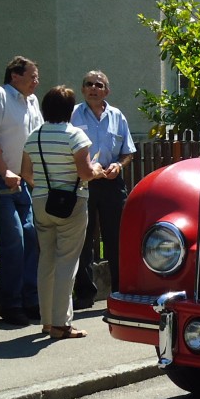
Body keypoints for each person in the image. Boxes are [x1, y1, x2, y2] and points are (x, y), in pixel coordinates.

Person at [21, 86, 105, 339]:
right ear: (70, 110)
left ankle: (46, 321)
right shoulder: (75, 135)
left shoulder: (33, 136)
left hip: (40, 201)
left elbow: (26, 173)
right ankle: (61, 324)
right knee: (67, 262)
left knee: (46, 260)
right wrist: (99, 170)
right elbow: (85, 173)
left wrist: (45, 189)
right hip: (72, 203)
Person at [0, 56, 44, 326]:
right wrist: (5, 171)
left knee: (32, 234)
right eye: (32, 76)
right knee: (13, 239)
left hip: (21, 180)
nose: (37, 81)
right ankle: (11, 304)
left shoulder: (33, 102)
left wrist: (30, 177)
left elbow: (34, 140)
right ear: (15, 75)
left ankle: (31, 299)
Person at [71, 70, 136, 307]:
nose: (93, 88)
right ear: (82, 89)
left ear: (106, 90)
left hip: (111, 182)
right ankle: (85, 294)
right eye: (88, 84)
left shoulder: (117, 116)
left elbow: (128, 152)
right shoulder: (73, 115)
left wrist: (119, 165)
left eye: (98, 85)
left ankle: (120, 291)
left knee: (116, 239)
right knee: (83, 240)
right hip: (84, 182)